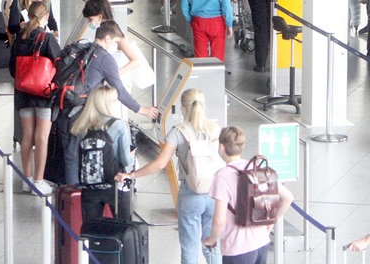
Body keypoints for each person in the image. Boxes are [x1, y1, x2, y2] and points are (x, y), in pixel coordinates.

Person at [116, 88, 223, 264]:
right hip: (214, 193)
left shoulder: (178, 132)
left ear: (183, 107)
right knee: (213, 246)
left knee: (189, 247)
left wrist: (131, 175)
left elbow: (159, 163)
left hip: (191, 193)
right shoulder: (215, 129)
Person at [57, 20, 159, 185]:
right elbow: (118, 89)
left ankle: (70, 199)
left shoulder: (83, 49)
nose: (115, 46)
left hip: (63, 107)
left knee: (69, 155)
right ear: (107, 39)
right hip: (82, 113)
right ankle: (80, 196)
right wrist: (141, 109)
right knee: (81, 153)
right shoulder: (104, 57)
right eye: (115, 42)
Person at [204, 126, 294, 262]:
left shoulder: (222, 176)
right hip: (261, 243)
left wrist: (212, 240)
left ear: (221, 147)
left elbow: (219, 221)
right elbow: (288, 197)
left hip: (237, 248)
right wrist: (270, 223)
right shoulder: (256, 169)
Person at [9, 0, 61, 195]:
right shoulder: (47, 39)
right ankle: (39, 181)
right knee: (42, 137)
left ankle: (27, 179)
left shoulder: (19, 38)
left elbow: (12, 69)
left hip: (23, 94)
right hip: (44, 94)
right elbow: (60, 64)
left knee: (27, 136)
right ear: (45, 17)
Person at [71, 84, 134, 223]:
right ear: (107, 104)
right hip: (116, 184)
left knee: (92, 230)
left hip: (90, 187)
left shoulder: (81, 125)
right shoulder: (119, 125)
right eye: (115, 100)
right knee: (124, 228)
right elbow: (125, 160)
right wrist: (133, 160)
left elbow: (76, 157)